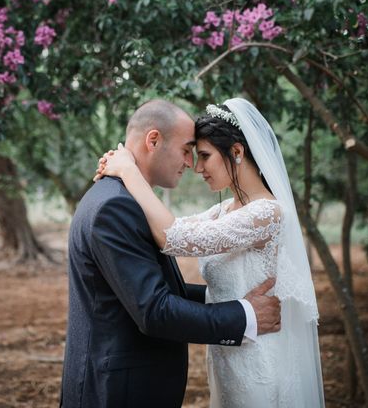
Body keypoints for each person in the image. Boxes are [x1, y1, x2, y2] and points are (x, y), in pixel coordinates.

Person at [96, 97, 325, 407]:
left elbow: (174, 238)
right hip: (228, 354)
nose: (197, 168)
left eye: (204, 156)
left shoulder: (267, 213)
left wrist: (130, 172)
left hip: (259, 361)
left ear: (237, 152)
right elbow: (168, 228)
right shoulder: (224, 211)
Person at [60, 100, 282, 408]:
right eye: (187, 150)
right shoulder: (116, 205)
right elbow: (155, 310)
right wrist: (246, 315)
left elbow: (159, 285)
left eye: (201, 154)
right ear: (153, 140)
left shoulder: (120, 198)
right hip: (118, 392)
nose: (192, 164)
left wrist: (232, 296)